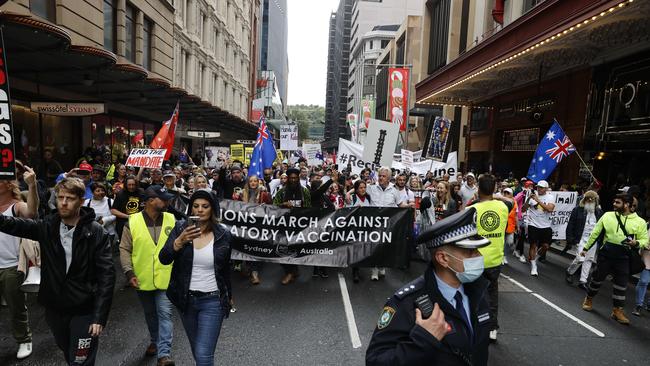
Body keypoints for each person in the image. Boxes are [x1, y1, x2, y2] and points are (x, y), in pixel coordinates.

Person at [0, 177, 115, 365]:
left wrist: (99, 316)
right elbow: (13, 224)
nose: (63, 202)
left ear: (80, 200)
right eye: (60, 197)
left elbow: (107, 276)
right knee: (68, 352)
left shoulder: (95, 232)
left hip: (84, 310)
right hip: (55, 309)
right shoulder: (48, 226)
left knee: (80, 360)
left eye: (69, 198)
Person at [366, 208, 491, 366]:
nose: (479, 256)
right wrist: (423, 339)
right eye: (471, 252)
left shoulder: (478, 291)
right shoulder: (407, 303)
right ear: (443, 258)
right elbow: (375, 361)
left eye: (478, 250)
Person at [159, 189, 232, 366]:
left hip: (213, 301)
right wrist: (179, 242)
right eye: (196, 206)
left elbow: (225, 269)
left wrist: (230, 295)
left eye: (205, 206)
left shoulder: (223, 234)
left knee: (203, 355)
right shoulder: (180, 228)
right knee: (197, 350)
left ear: (212, 209)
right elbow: (164, 258)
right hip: (186, 300)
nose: (199, 210)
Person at [119, 185, 177, 365]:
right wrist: (129, 273)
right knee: (150, 314)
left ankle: (164, 354)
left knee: (165, 313)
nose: (167, 201)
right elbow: (124, 248)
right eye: (163, 198)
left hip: (166, 278)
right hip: (141, 279)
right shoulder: (132, 221)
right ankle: (155, 341)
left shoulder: (172, 218)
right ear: (151, 201)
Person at [581, 193, 649, 324]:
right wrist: (586, 248)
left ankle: (617, 310)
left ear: (627, 204)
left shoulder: (640, 222)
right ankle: (588, 298)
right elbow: (596, 232)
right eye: (614, 202)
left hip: (624, 257)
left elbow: (645, 240)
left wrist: (637, 243)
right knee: (597, 279)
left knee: (621, 284)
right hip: (606, 255)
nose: (614, 204)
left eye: (617, 202)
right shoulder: (607, 216)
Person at [0, 166, 39, 359]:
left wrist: (31, 185)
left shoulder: (16, 206)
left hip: (11, 266)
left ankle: (24, 339)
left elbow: (31, 212)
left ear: (8, 185)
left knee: (16, 308)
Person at [468, 174, 511, 342]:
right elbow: (511, 201)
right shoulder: (503, 207)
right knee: (492, 294)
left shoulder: (471, 209)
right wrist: (497, 195)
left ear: (478, 189)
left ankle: (473, 325)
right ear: (494, 189)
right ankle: (492, 327)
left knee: (473, 294)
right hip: (495, 260)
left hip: (475, 259)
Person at [366, 167, 407, 281]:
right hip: (374, 224)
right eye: (379, 176)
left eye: (383, 176)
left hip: (388, 225)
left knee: (384, 247)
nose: (381, 178)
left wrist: (409, 206)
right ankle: (374, 270)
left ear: (389, 178)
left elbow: (400, 205)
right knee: (374, 247)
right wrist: (349, 193)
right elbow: (360, 188)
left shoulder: (394, 191)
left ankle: (382, 265)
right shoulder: (371, 188)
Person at [272, 168, 311, 285]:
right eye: (291, 178)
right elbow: (273, 207)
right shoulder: (282, 192)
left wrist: (302, 210)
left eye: (295, 178)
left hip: (298, 227)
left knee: (295, 250)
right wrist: (282, 204)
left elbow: (310, 208)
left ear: (298, 178)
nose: (293, 180)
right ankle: (290, 271)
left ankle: (292, 271)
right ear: (288, 179)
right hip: (284, 226)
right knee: (280, 250)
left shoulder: (304, 192)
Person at [234, 175, 271, 284]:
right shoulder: (242, 194)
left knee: (255, 248)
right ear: (248, 182)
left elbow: (271, 206)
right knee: (246, 247)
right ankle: (246, 268)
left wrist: (267, 195)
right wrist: (237, 195)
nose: (253, 183)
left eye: (255, 181)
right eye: (251, 181)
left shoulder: (263, 193)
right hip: (245, 225)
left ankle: (255, 273)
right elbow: (233, 205)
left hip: (258, 226)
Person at [565, 191, 603, 289]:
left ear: (596, 200)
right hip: (580, 239)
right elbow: (571, 225)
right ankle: (570, 271)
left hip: (592, 240)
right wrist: (570, 239)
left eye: (592, 199)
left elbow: (602, 228)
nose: (590, 201)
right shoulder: (577, 210)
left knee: (589, 260)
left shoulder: (599, 212)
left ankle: (583, 281)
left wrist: (600, 241)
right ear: (584, 199)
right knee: (580, 259)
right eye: (588, 198)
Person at [522, 180, 555, 276]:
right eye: (538, 187)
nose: (539, 189)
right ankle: (533, 266)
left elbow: (549, 209)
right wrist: (528, 199)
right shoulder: (532, 197)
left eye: (541, 187)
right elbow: (523, 209)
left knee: (546, 246)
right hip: (533, 225)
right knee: (533, 245)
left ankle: (534, 258)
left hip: (546, 226)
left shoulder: (550, 197)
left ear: (546, 189)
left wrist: (538, 200)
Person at [347, 180, 371, 283]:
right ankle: (355, 272)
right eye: (360, 188)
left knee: (362, 248)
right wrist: (355, 209)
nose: (363, 189)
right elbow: (346, 212)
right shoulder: (352, 198)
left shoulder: (368, 198)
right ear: (356, 189)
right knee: (355, 249)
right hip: (354, 228)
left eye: (364, 187)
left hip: (365, 227)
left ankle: (360, 267)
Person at [111, 175, 145, 244]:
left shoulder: (141, 192)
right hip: (123, 224)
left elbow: (146, 206)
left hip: (139, 223)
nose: (131, 187)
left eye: (133, 185)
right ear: (125, 185)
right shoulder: (120, 194)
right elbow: (113, 210)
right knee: (125, 245)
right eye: (129, 185)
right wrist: (128, 217)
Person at [84, 182, 116, 247]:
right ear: (93, 192)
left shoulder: (110, 201)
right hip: (92, 233)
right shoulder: (87, 202)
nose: (101, 192)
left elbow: (116, 215)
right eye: (98, 191)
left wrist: (104, 220)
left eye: (102, 190)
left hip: (109, 232)